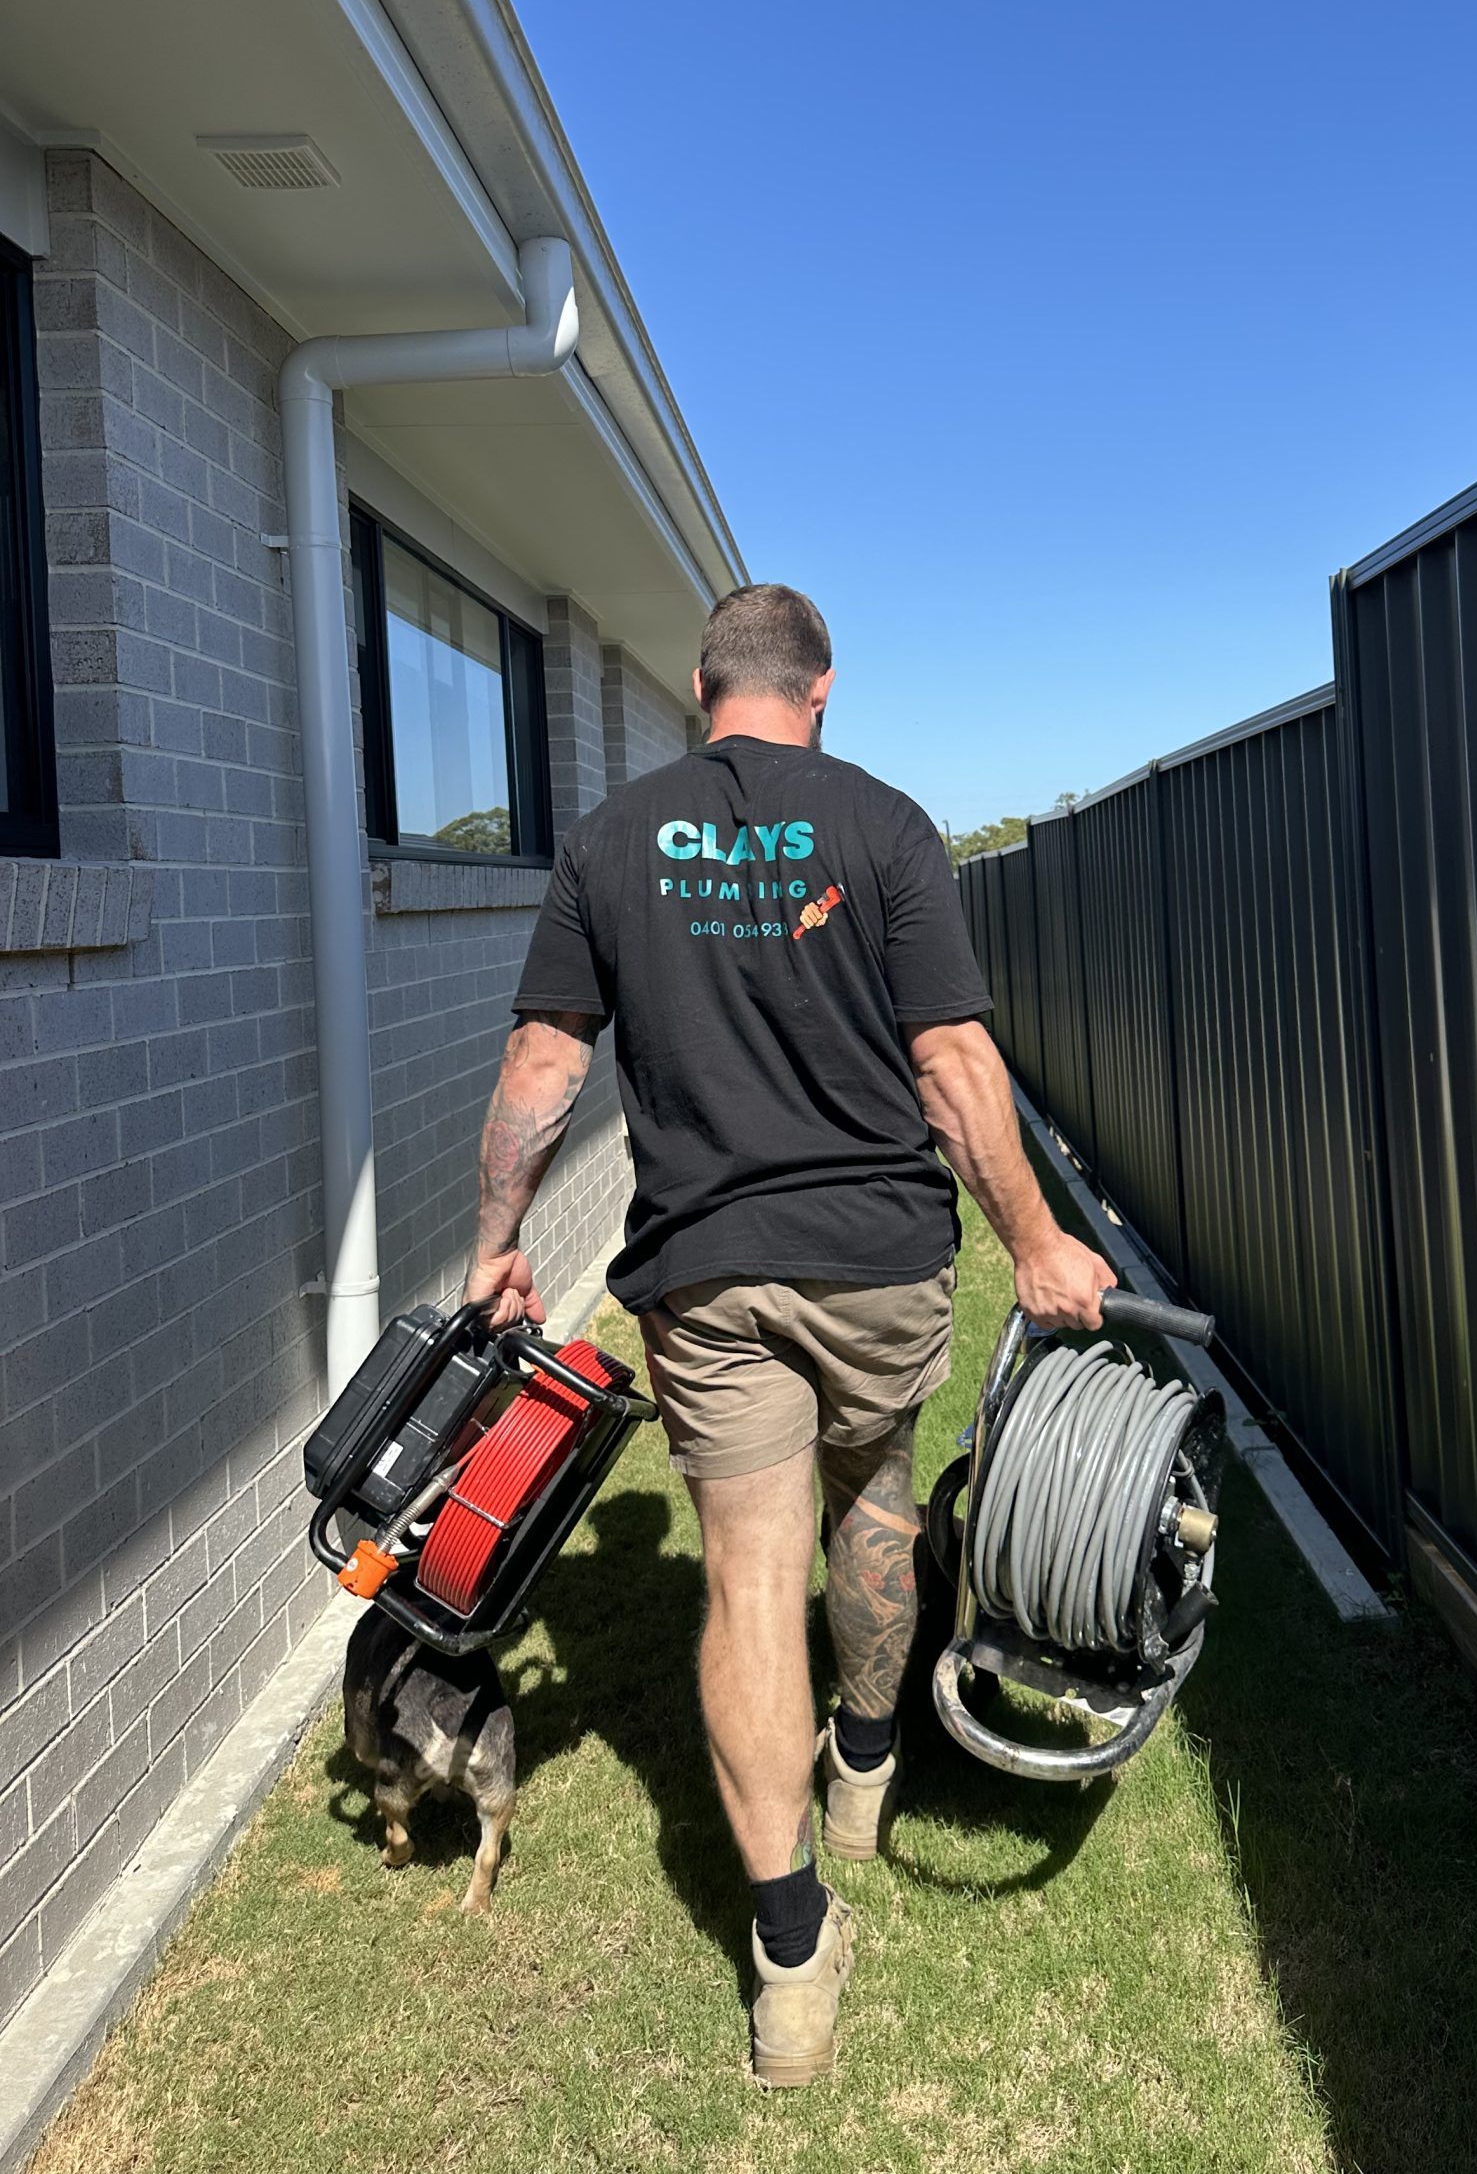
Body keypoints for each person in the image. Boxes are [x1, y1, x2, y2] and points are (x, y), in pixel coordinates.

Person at [460, 582, 1114, 2087]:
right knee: (874, 1496)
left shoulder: (613, 841)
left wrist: (498, 1245)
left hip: (708, 1270)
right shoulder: (883, 825)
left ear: (702, 686)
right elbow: (950, 1059)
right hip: (878, 1257)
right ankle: (866, 1776)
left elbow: (541, 1070)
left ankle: (792, 1956)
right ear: (822, 690)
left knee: (748, 1576)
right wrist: (1031, 1242)